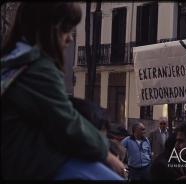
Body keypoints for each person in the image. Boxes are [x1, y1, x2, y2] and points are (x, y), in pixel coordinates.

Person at [1, 2, 124, 180]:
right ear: (48, 28)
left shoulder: (12, 62)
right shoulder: (38, 68)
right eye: (66, 29)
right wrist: (107, 153)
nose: (70, 38)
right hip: (33, 163)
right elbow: (67, 123)